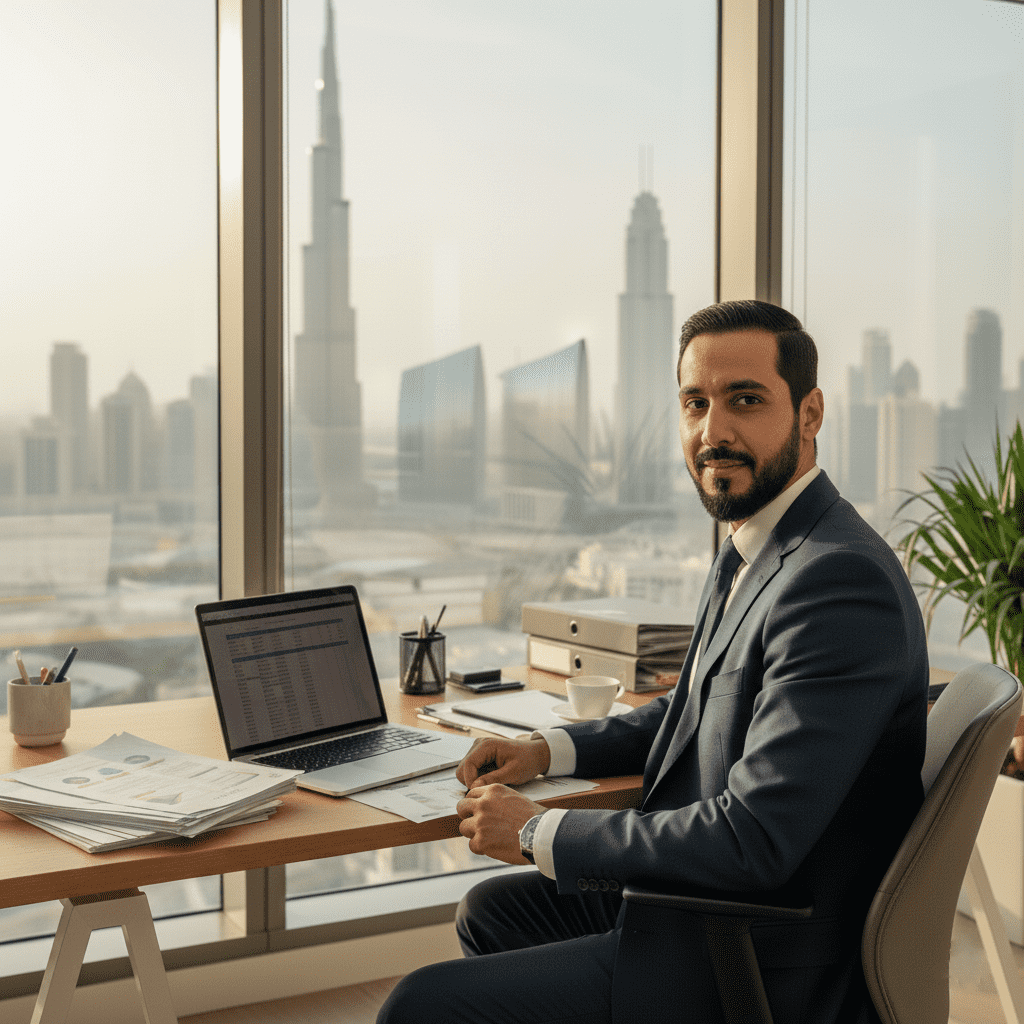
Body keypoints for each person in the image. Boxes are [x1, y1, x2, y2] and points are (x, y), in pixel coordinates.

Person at [377, 300, 929, 1024]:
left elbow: (753, 837)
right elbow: (695, 708)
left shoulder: (836, 581)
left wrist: (540, 831)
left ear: (810, 412)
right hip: (711, 911)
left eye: (745, 400)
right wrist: (546, 750)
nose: (713, 431)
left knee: (420, 1004)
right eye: (695, 403)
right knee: (492, 911)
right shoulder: (758, 547)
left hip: (757, 955)